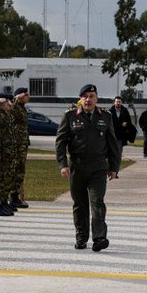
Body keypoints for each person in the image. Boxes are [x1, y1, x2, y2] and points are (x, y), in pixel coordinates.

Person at [56, 84, 120, 251]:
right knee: (80, 204)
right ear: (80, 99)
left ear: (96, 98)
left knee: (97, 202)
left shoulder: (105, 116)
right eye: (85, 96)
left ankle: (99, 238)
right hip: (77, 167)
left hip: (98, 167)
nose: (88, 99)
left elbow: (113, 143)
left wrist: (114, 167)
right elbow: (61, 142)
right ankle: (81, 237)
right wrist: (63, 164)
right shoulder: (70, 116)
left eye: (91, 96)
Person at [11, 87, 31, 208]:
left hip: (22, 144)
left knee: (20, 171)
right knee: (15, 170)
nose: (28, 97)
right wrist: (17, 98)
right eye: (26, 95)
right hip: (16, 144)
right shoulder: (15, 107)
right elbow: (12, 107)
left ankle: (16, 197)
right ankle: (13, 197)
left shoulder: (22, 108)